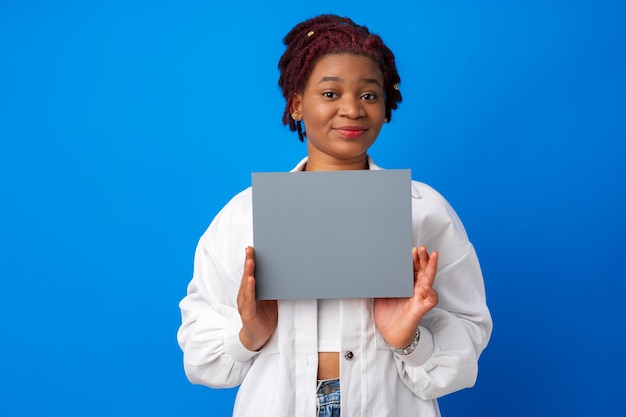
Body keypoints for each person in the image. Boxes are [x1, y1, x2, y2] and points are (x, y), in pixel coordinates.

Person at [177, 14, 492, 417]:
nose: (352, 109)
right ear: (296, 104)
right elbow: (199, 351)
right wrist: (249, 335)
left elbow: (467, 343)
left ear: (385, 105)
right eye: (330, 94)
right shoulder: (246, 214)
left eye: (368, 95)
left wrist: (408, 339)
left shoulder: (424, 210)